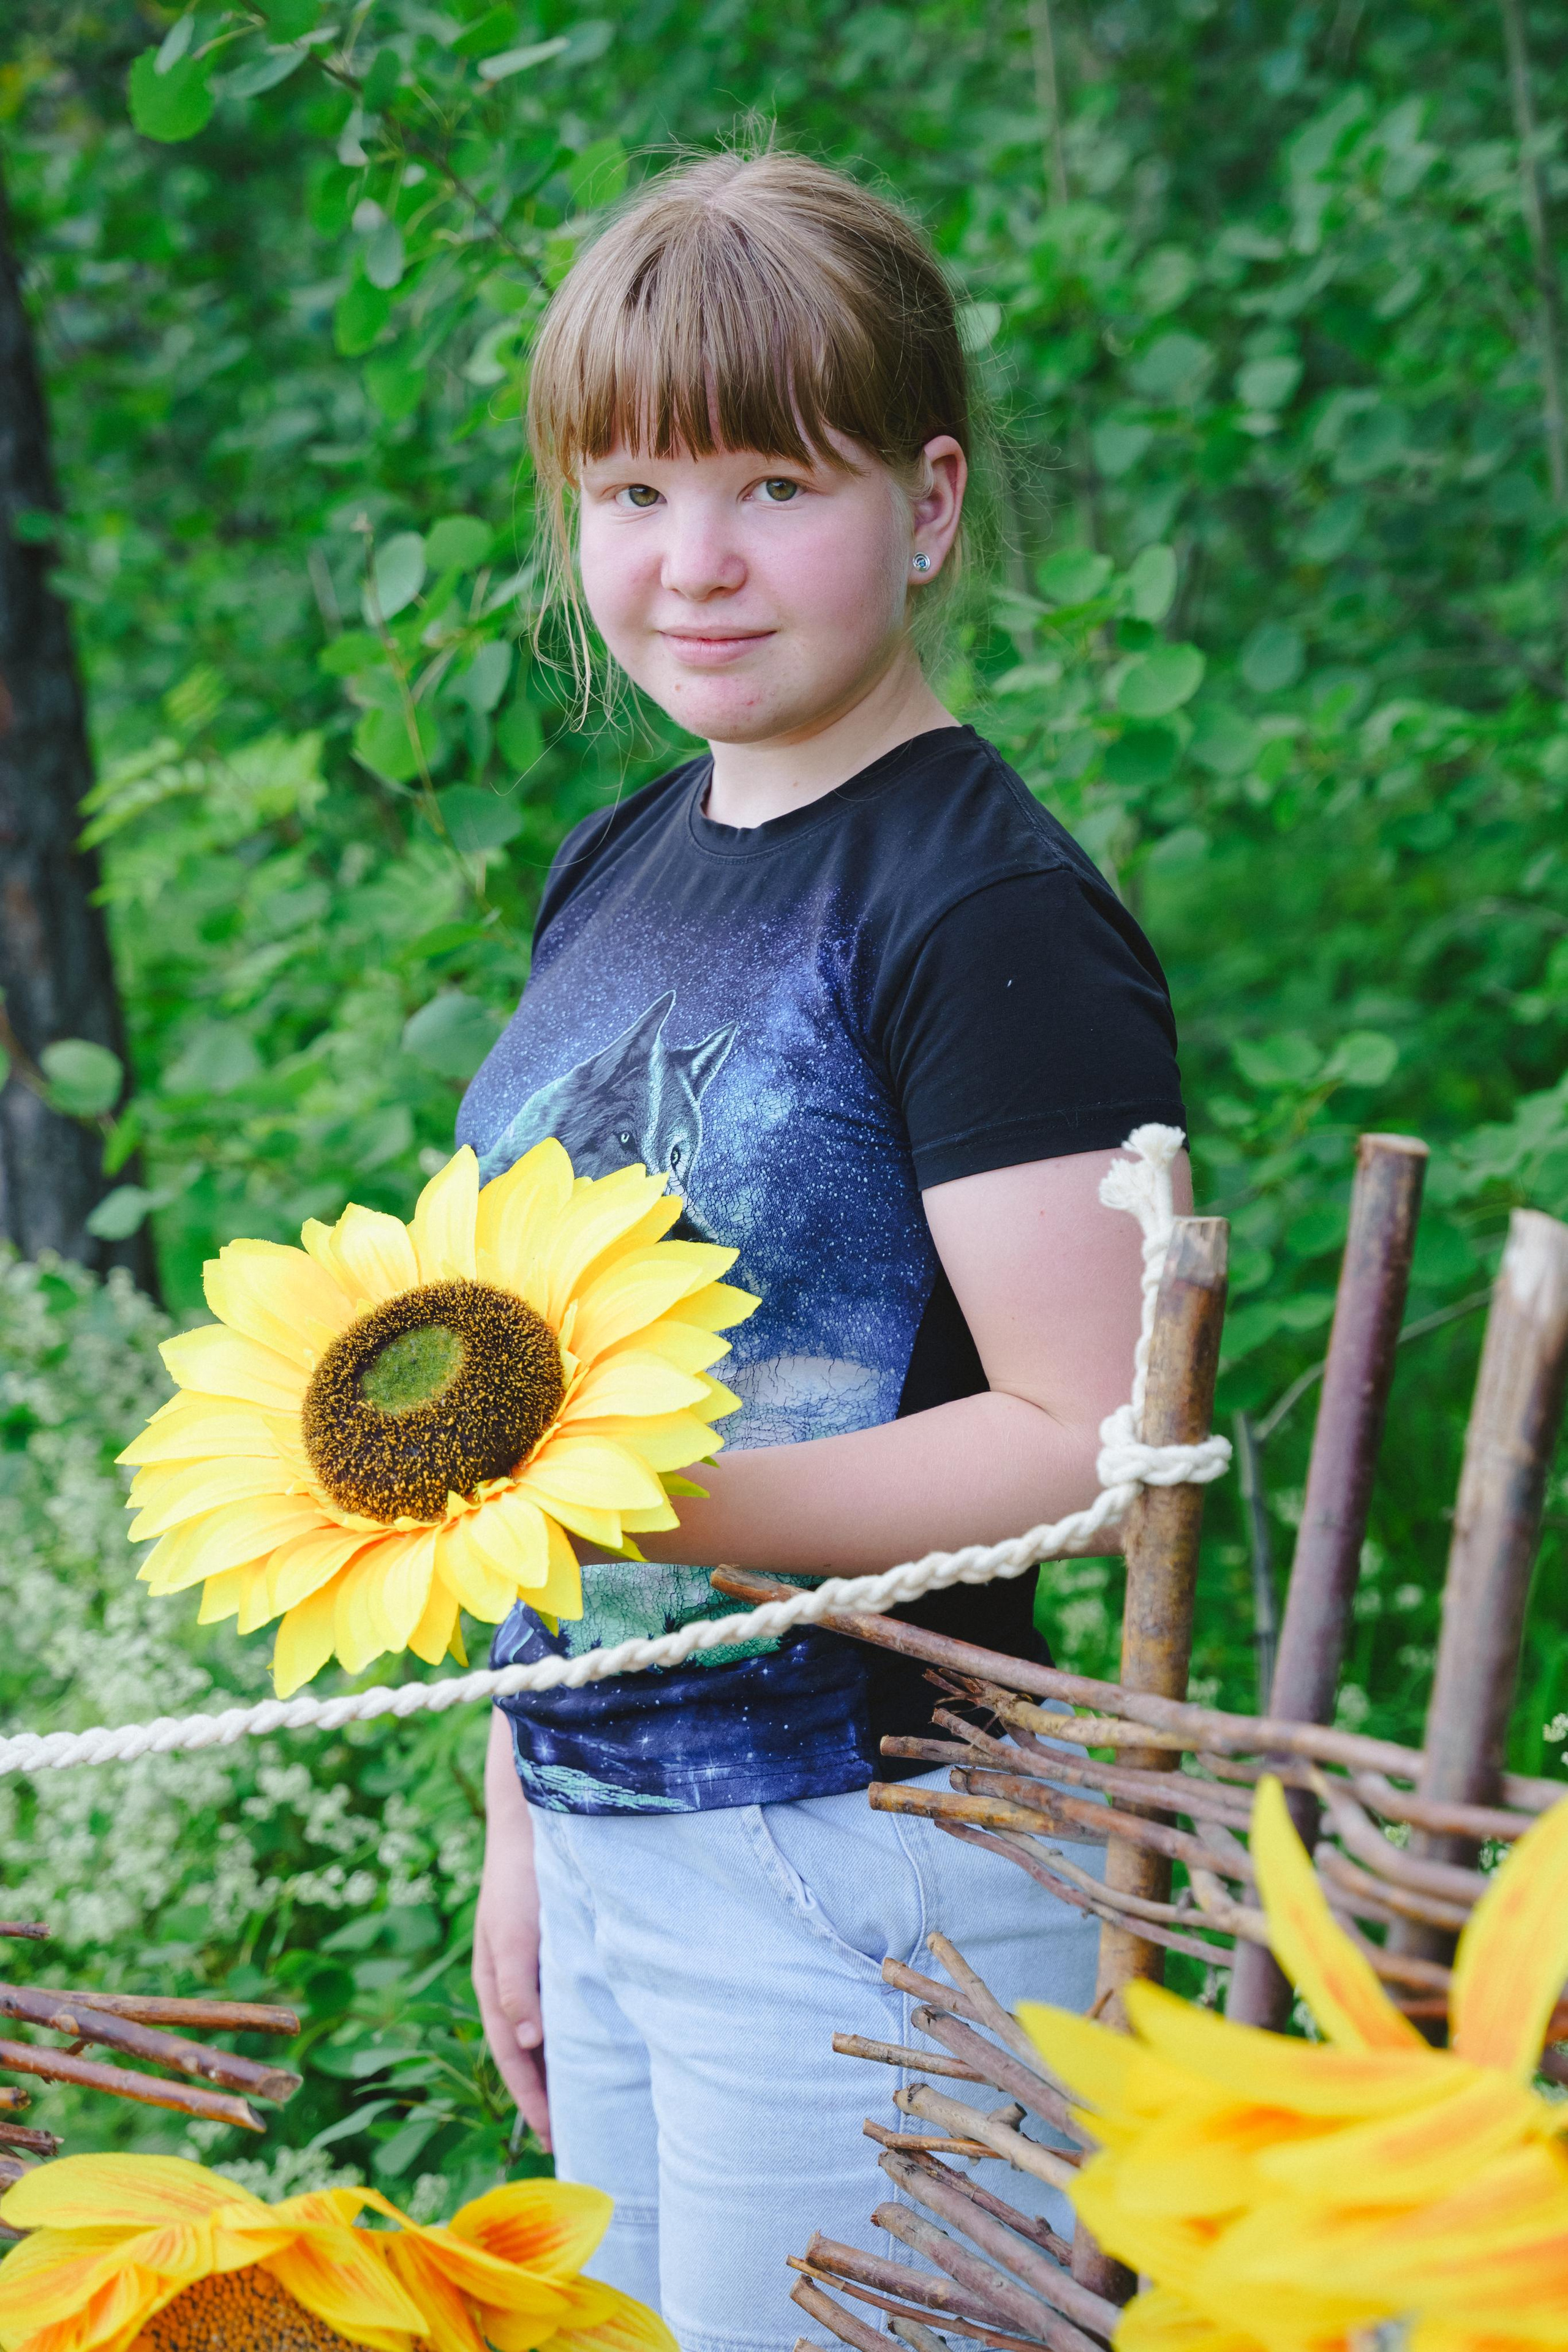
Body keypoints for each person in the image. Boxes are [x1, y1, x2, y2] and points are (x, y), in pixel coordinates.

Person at [462, 147, 1189, 2348]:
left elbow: (1102, 1439)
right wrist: (522, 1826)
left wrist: (667, 1517)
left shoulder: (986, 914)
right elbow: (537, 1379)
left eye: (776, 483)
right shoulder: (624, 861)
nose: (691, 567)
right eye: (633, 492)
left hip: (881, 1868)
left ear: (932, 500)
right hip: (619, 1839)